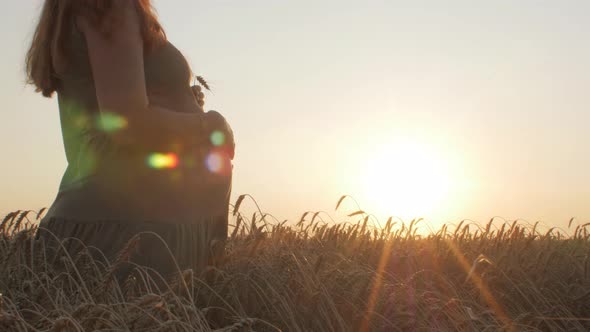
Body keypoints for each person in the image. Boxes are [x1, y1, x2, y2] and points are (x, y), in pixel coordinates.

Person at [27, 0, 235, 278]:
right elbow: (129, 123)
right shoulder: (107, 6)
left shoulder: (81, 11)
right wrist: (211, 125)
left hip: (131, 224)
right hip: (138, 233)